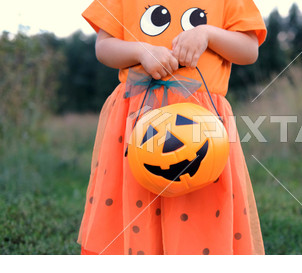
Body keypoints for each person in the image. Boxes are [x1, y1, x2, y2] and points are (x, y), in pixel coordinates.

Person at [78, 0, 267, 255]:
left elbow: (248, 50)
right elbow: (104, 48)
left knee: (201, 202)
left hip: (202, 119)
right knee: (139, 200)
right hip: (139, 114)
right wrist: (141, 51)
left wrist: (206, 33)